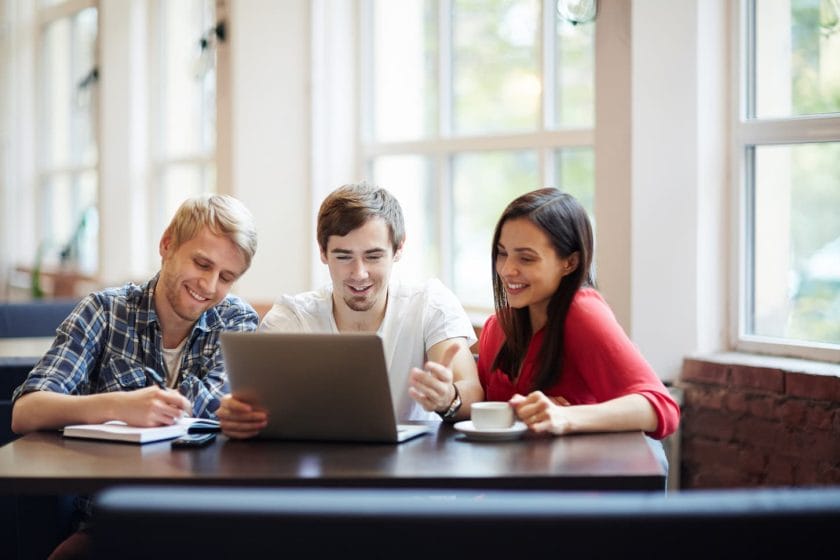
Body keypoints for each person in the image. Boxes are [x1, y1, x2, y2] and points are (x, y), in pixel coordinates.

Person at [11, 193, 259, 559]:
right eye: (202, 264)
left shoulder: (237, 322)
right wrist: (119, 406)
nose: (208, 286)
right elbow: (25, 412)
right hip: (113, 522)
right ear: (167, 244)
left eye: (226, 277)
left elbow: (213, 412)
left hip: (205, 519)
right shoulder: (104, 312)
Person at [218, 182, 482, 439]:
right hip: (314, 463)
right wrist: (240, 414)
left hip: (411, 466)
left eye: (373, 256)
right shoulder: (292, 316)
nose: (359, 273)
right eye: (343, 257)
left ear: (398, 248)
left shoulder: (429, 303)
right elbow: (259, 406)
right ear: (323, 252)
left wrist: (449, 398)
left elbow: (472, 391)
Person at [469, 188, 679, 441]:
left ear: (569, 263)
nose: (506, 269)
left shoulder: (582, 312)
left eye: (526, 258)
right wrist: (449, 395)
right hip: (515, 474)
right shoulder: (499, 327)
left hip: (576, 475)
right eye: (502, 253)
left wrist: (568, 417)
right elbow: (477, 408)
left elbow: (662, 408)